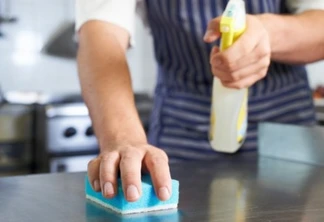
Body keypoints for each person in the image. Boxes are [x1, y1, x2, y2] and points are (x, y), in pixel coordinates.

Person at [75, 0, 324, 202]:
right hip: (182, 132)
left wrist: (266, 33)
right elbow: (101, 31)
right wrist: (123, 137)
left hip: (284, 133)